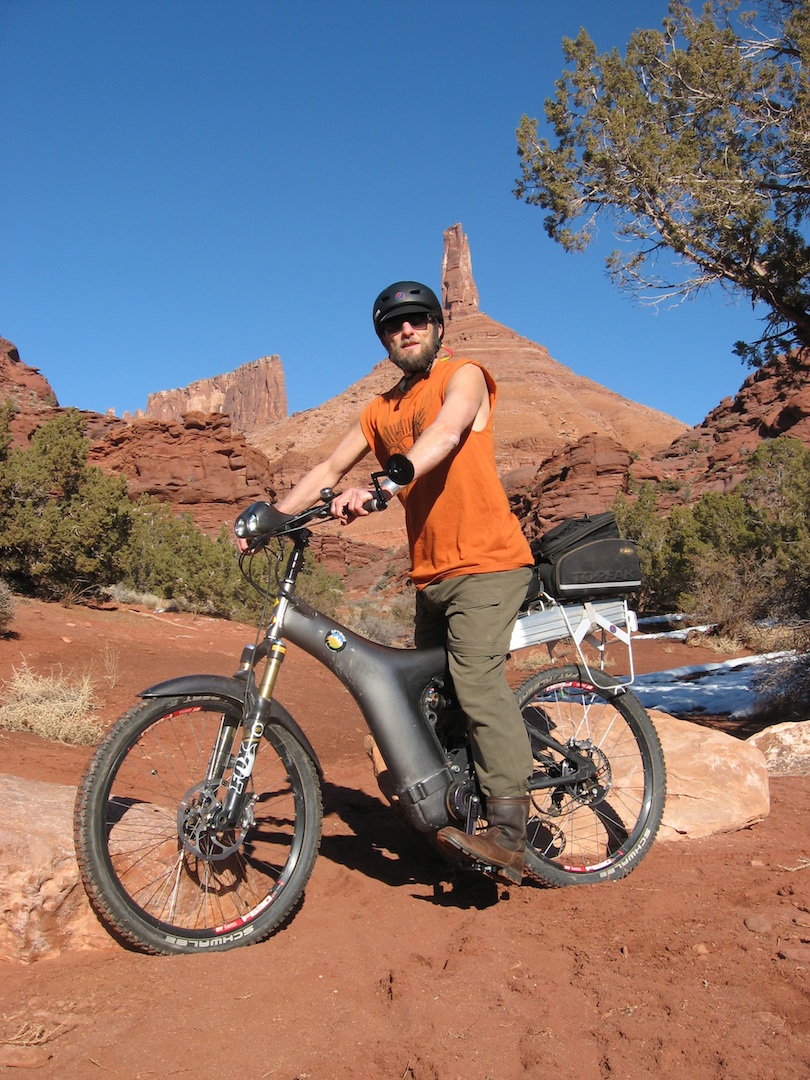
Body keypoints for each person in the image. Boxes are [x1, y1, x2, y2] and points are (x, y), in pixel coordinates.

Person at [271, 281, 534, 885]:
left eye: (417, 321)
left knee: (474, 681)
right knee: (430, 700)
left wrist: (386, 484)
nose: (406, 331)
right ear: (384, 340)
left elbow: (443, 436)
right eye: (394, 326)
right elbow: (328, 469)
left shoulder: (464, 374)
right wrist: (274, 516)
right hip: (431, 576)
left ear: (438, 326)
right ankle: (447, 816)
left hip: (489, 563)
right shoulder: (379, 410)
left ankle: (510, 833)